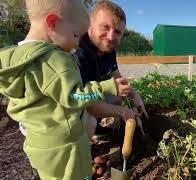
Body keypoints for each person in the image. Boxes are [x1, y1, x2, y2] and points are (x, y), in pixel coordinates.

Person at [0, 0, 131, 179]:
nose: (77, 42)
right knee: (79, 174)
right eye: (76, 34)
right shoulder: (54, 60)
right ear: (53, 23)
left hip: (37, 139)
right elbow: (74, 96)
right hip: (63, 143)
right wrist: (108, 87)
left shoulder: (16, 58)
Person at [74, 0, 148, 136]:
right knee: (89, 120)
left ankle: (97, 129)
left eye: (118, 32)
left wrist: (135, 96)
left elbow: (118, 77)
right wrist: (124, 112)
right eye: (105, 27)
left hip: (91, 95)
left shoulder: (109, 52)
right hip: (71, 103)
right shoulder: (77, 52)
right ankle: (83, 151)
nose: (111, 37)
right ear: (90, 23)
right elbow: (84, 102)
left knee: (118, 96)